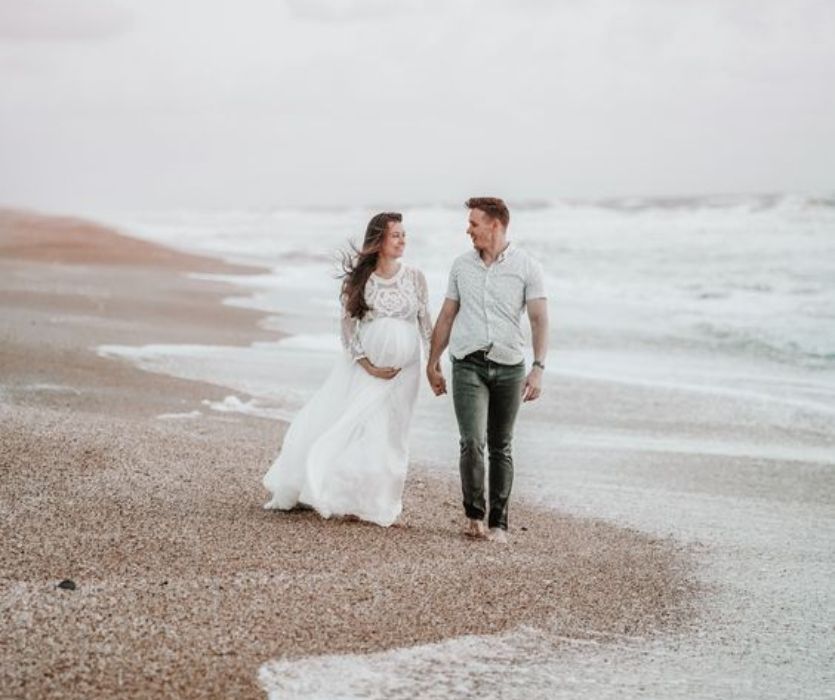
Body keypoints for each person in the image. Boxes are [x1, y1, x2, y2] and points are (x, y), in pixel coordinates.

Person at [263, 212, 433, 526]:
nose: (402, 240)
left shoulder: (415, 277)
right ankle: (351, 497)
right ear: (379, 240)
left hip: (406, 372)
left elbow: (426, 326)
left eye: (404, 235)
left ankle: (383, 501)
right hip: (367, 372)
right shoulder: (359, 280)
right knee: (362, 428)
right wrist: (368, 364)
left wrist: (433, 364)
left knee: (394, 434)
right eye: (396, 235)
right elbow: (348, 330)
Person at [426, 197, 549, 543]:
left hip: (510, 367)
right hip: (468, 363)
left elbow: (539, 320)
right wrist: (432, 361)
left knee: (501, 446)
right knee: (471, 442)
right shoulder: (461, 266)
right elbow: (447, 315)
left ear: (495, 224)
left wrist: (538, 368)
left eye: (474, 224)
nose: (468, 230)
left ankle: (500, 523)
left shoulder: (527, 266)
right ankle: (474, 515)